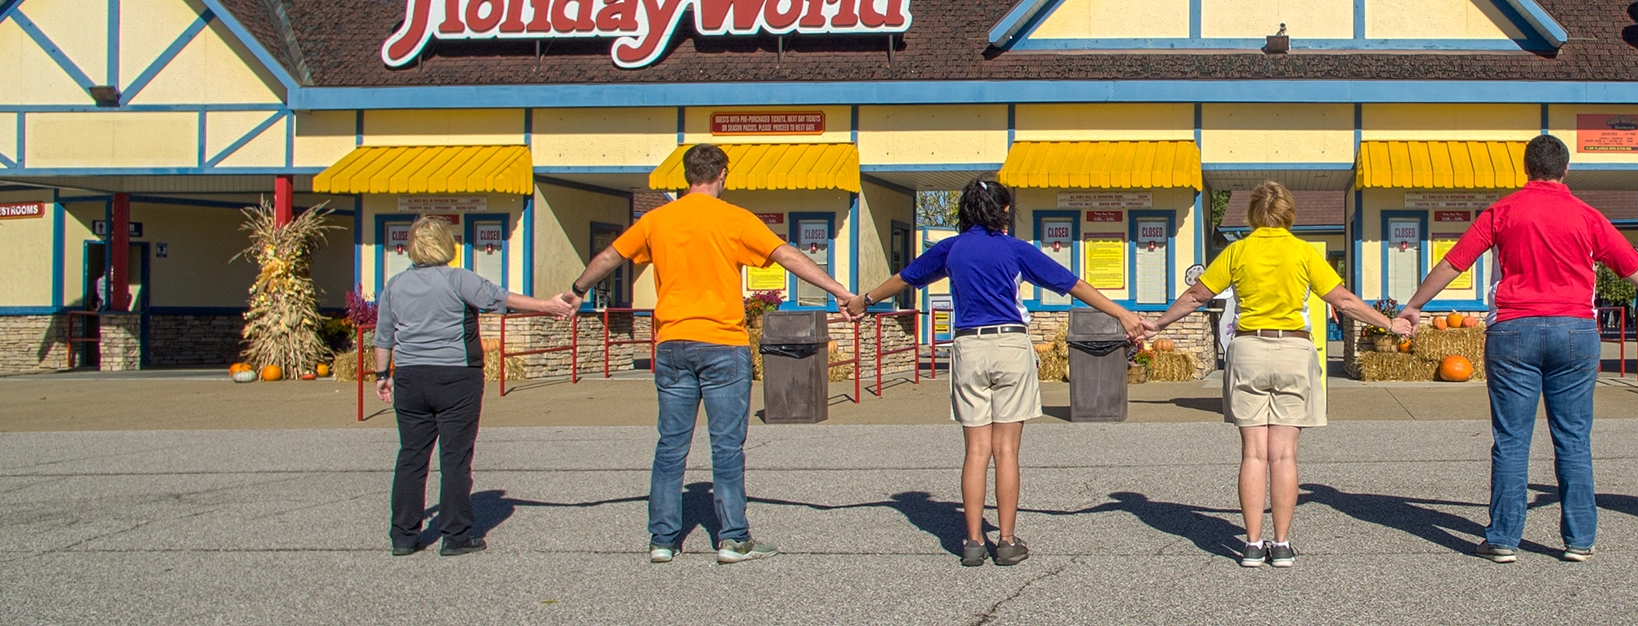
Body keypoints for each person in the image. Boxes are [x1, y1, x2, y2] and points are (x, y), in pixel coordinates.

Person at [558, 144, 862, 564]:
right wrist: (840, 293)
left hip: (672, 343)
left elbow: (611, 255)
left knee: (671, 445)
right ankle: (733, 539)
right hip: (722, 343)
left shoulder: (656, 220)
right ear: (722, 174)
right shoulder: (735, 219)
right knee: (726, 445)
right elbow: (787, 255)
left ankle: (663, 540)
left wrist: (576, 292)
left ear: (687, 175)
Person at [1397, 135, 1638, 563]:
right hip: (1574, 331)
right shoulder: (1588, 216)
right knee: (1573, 437)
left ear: (1525, 168)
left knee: (1512, 439)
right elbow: (1633, 264)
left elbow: (1454, 262)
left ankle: (1502, 539)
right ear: (1566, 170)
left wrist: (1414, 306)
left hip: (1514, 330)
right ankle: (1579, 540)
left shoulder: (1502, 211)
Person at [846, 178, 1147, 567]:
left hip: (968, 346)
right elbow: (1072, 284)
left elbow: (906, 278)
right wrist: (1122, 314)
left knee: (975, 451)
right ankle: (1006, 540)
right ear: (1004, 210)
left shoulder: (951, 249)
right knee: (1006, 450)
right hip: (1009, 346)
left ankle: (972, 542)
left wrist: (863, 300)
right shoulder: (1014, 248)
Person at [1143, 181, 1408, 568]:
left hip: (1248, 348)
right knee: (1283, 456)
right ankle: (1281, 545)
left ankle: (1252, 544)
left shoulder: (1237, 251)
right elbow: (1343, 300)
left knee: (1253, 453)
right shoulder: (1303, 252)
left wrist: (1159, 324)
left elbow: (1198, 295)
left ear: (1252, 214)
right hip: (1293, 353)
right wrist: (1389, 323)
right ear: (1289, 214)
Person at [370, 217, 574, 557]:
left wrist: (381, 375)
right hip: (456, 375)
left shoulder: (395, 285)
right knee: (455, 458)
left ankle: (403, 536)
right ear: (445, 244)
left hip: (409, 376)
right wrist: (547, 306)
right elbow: (500, 298)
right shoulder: (456, 279)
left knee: (411, 457)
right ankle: (455, 535)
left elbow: (383, 336)